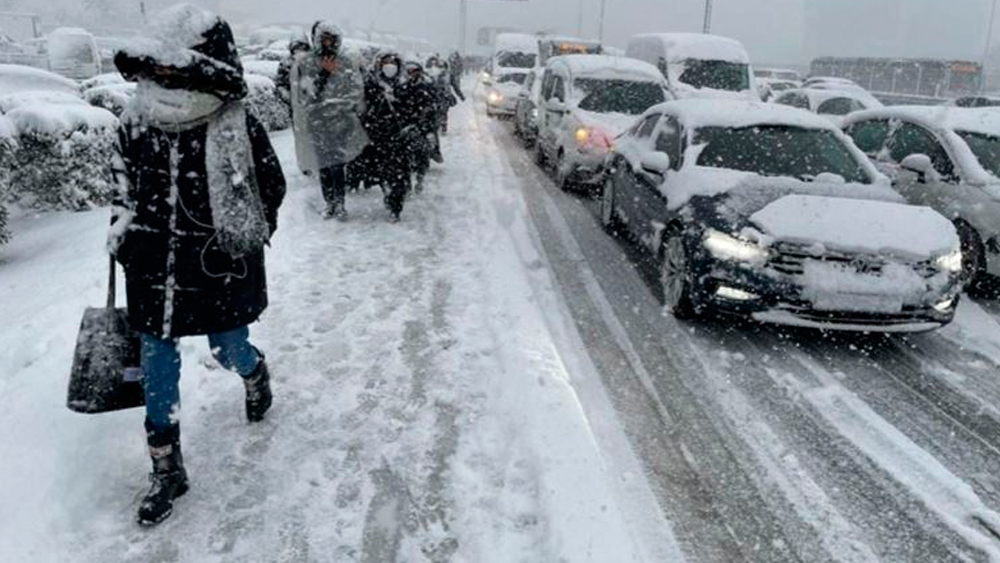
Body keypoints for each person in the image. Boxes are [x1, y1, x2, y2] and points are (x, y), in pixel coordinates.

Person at [110, 4, 286, 527]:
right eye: (157, 67)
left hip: (216, 264)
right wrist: (123, 234)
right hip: (152, 265)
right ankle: (166, 468)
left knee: (226, 347)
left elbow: (268, 188)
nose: (163, 76)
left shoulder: (234, 122)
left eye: (174, 67)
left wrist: (239, 238)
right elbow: (121, 186)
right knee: (157, 361)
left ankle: (255, 372)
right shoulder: (135, 119)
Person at [290, 21, 369, 220]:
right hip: (317, 122)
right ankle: (329, 203)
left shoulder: (346, 62)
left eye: (332, 39)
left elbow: (355, 90)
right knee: (324, 165)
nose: (328, 43)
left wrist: (344, 107)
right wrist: (324, 74)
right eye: (324, 39)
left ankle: (340, 203)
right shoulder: (307, 63)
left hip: (341, 121)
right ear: (318, 40)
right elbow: (307, 93)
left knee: (337, 164)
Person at [361, 52, 412, 221]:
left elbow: (412, 108)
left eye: (392, 62)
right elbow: (363, 107)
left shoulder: (405, 85)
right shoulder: (371, 83)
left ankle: (395, 205)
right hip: (377, 136)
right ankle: (387, 191)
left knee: (398, 174)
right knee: (381, 172)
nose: (389, 65)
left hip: (399, 137)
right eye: (386, 62)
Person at [397, 61, 439, 192]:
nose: (411, 73)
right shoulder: (401, 87)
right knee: (404, 158)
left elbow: (434, 106)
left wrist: (428, 125)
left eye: (414, 70)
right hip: (406, 126)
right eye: (408, 70)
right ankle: (407, 184)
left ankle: (420, 180)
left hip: (423, 127)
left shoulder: (427, 86)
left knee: (422, 156)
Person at [275, 39, 310, 105]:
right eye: (297, 51)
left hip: (309, 104)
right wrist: (287, 96)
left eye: (302, 50)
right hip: (292, 102)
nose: (300, 54)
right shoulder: (286, 64)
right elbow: (280, 83)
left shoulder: (311, 64)